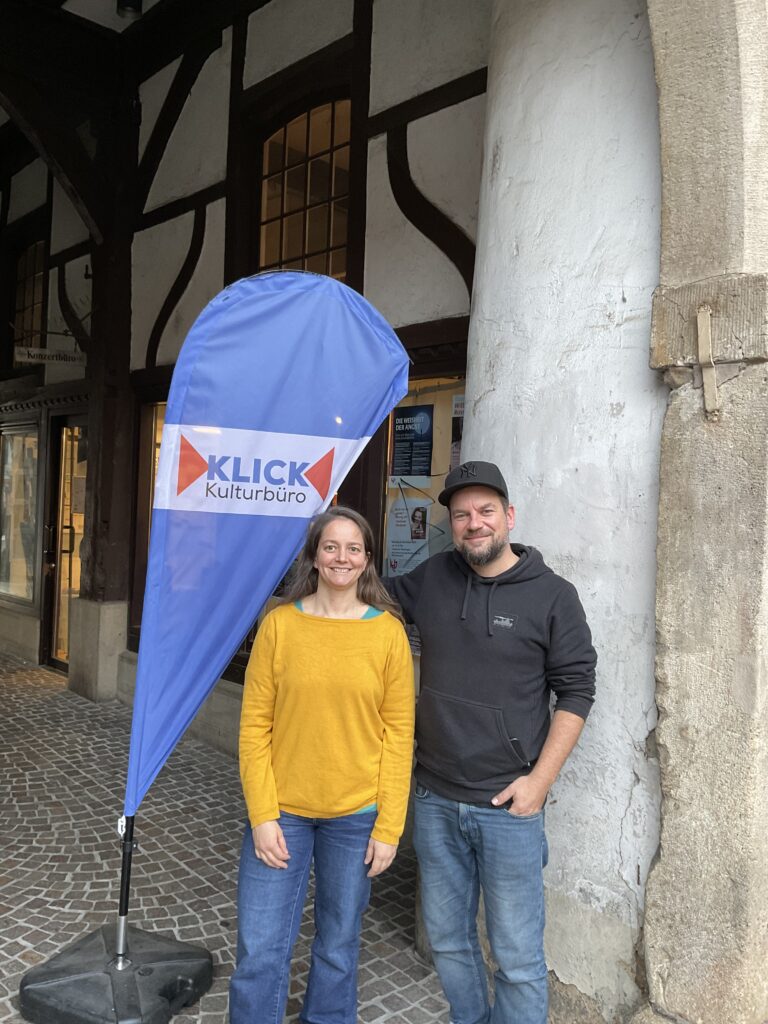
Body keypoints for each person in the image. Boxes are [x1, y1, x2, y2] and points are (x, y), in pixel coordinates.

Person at [386, 460, 596, 1024]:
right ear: (452, 525)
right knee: (449, 943)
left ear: (509, 516)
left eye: (485, 511)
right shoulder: (431, 578)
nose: (473, 523)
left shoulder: (553, 596)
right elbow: (365, 599)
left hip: (508, 808)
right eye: (461, 515)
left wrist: (539, 783)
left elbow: (577, 692)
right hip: (434, 798)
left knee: (518, 960)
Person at [230, 506, 415, 1024]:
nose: (341, 557)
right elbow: (254, 727)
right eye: (330, 546)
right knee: (260, 949)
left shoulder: (388, 635)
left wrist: (389, 827)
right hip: (282, 812)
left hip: (356, 816)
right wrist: (262, 815)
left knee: (338, 944)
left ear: (367, 560)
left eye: (353, 548)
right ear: (313, 557)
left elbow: (399, 736)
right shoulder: (279, 626)